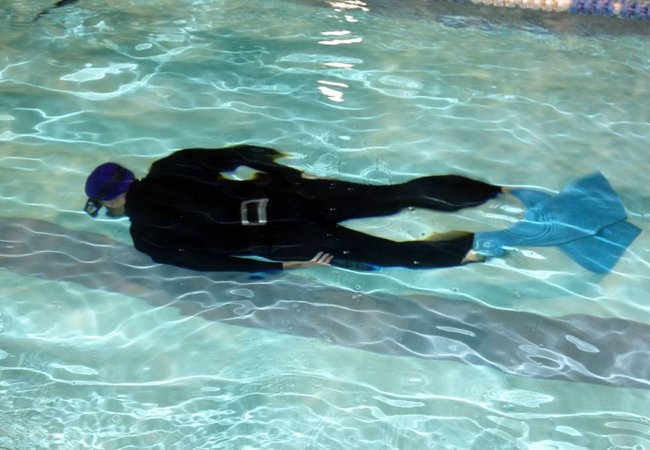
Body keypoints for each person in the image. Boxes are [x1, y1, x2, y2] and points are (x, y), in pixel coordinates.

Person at [83, 145, 505, 272]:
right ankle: (500, 192)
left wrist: (284, 267)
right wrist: (293, 176)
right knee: (396, 196)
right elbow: (247, 154)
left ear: (111, 200)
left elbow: (212, 262)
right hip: (292, 196)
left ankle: (481, 249)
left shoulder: (146, 236)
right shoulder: (171, 165)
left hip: (287, 239)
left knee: (391, 254)